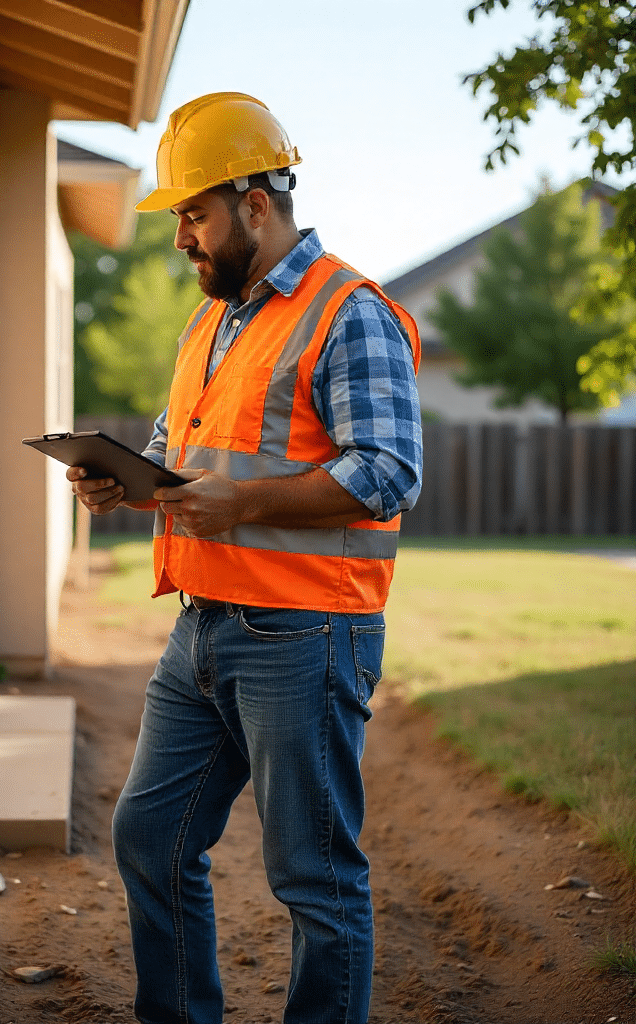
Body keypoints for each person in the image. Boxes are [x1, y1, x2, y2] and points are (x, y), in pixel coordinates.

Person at [67, 92, 423, 1024]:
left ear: (255, 204)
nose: (180, 236)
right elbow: (182, 446)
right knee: (150, 836)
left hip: (305, 634)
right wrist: (125, 480)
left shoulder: (351, 312)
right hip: (204, 626)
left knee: (314, 879)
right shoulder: (212, 319)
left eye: (193, 212)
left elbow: (388, 472)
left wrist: (246, 500)